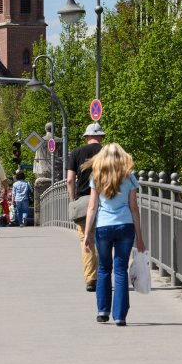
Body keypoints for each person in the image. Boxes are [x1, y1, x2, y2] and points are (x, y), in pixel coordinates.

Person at [84, 143, 146, 326]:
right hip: (125, 226)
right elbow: (134, 209)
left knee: (103, 268)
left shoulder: (96, 176)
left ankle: (102, 311)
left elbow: (92, 207)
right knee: (120, 270)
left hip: (103, 227)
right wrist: (140, 238)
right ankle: (120, 316)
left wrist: (87, 233)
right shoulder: (130, 177)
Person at [67, 122, 105, 292]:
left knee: (86, 240)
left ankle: (91, 279)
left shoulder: (76, 152)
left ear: (87, 137)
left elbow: (69, 180)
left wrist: (73, 199)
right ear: (101, 137)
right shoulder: (106, 152)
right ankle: (104, 276)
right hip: (105, 201)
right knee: (103, 239)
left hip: (84, 201)